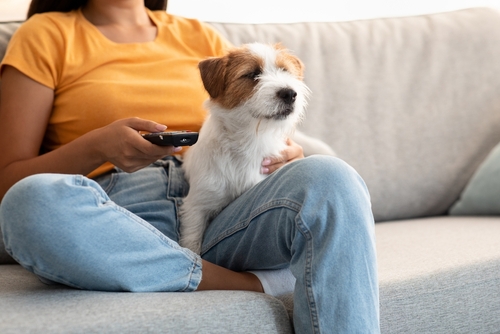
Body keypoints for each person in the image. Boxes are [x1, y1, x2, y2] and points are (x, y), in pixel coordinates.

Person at [0, 0, 380, 332]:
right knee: (29, 203)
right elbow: (7, 181)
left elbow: (252, 108)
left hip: (227, 205)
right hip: (120, 212)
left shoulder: (198, 35)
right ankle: (249, 283)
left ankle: (177, 272)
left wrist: (290, 152)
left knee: (334, 176)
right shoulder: (45, 34)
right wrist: (98, 146)